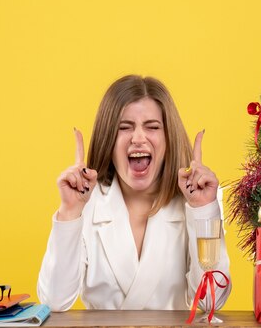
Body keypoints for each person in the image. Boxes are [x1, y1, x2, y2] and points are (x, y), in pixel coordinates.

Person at [37, 75, 231, 311]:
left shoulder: (196, 205)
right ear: (108, 139)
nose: (138, 138)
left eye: (152, 127)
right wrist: (69, 212)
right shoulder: (85, 204)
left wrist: (203, 211)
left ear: (168, 138)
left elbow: (212, 301)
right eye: (124, 128)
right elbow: (53, 302)